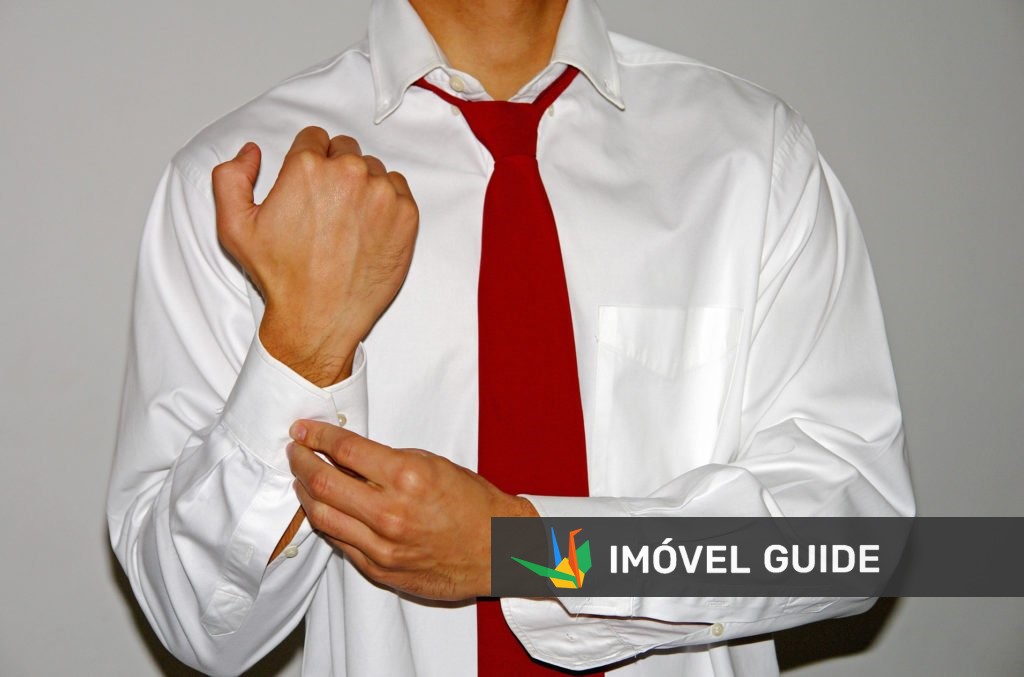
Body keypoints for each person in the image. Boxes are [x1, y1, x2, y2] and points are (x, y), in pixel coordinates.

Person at [107, 0, 915, 675]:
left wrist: (527, 551)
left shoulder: (750, 156)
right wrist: (302, 348)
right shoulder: (244, 188)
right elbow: (200, 622)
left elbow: (857, 539)